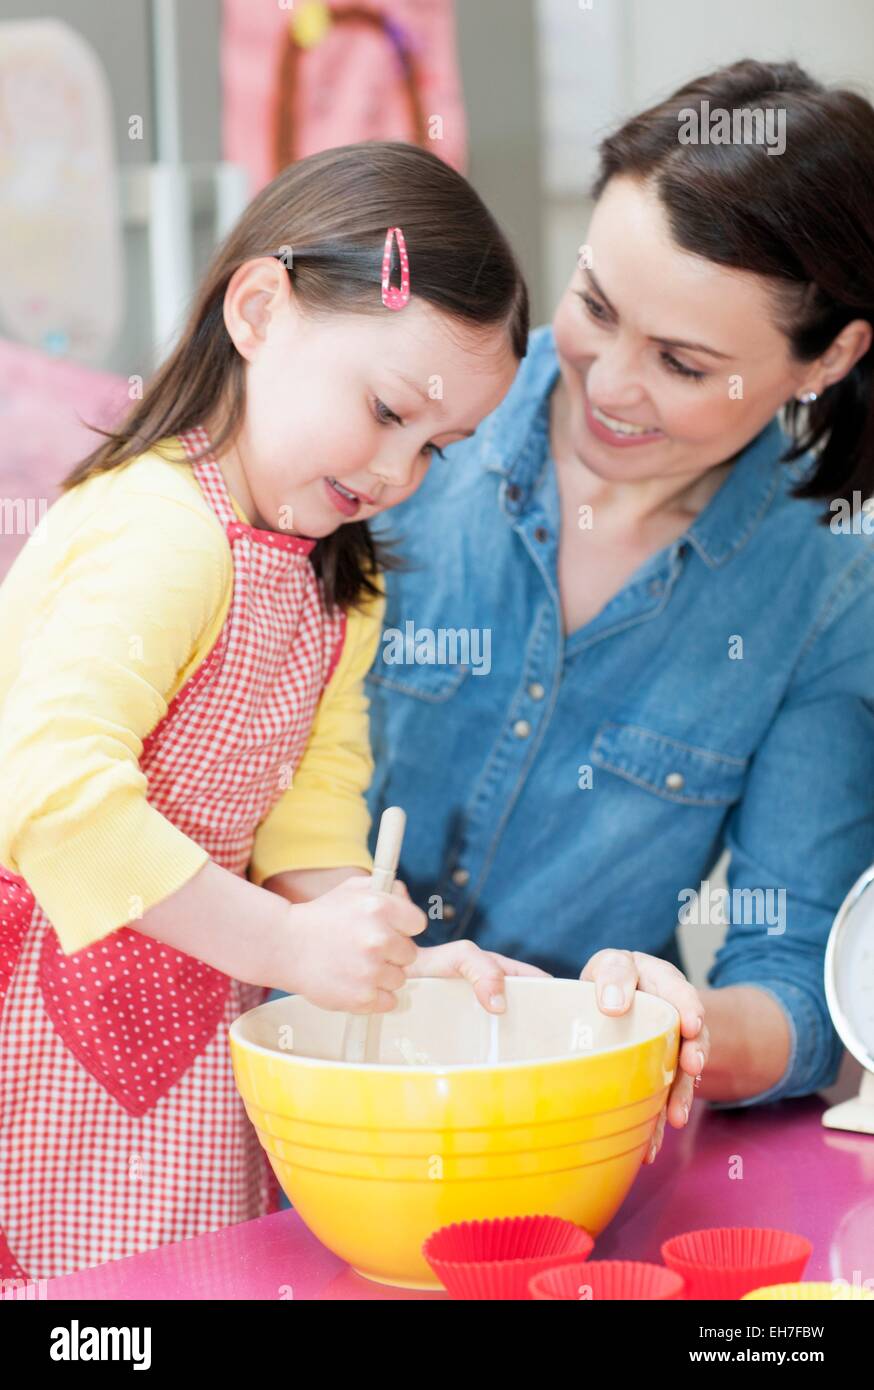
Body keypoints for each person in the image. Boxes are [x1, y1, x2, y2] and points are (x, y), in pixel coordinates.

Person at [0, 141, 542, 1280]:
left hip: (195, 1027)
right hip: (32, 1018)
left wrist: (374, 945)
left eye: (436, 447)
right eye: (386, 409)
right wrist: (288, 943)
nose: (399, 472)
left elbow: (305, 810)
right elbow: (52, 799)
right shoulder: (156, 532)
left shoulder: (334, 578)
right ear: (258, 308)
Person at [366, 59, 874, 1164]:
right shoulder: (404, 419)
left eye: (684, 364)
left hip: (555, 1149)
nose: (607, 384)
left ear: (826, 358)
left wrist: (679, 1027)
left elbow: (790, 974)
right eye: (595, 304)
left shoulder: (826, 590)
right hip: (267, 1080)